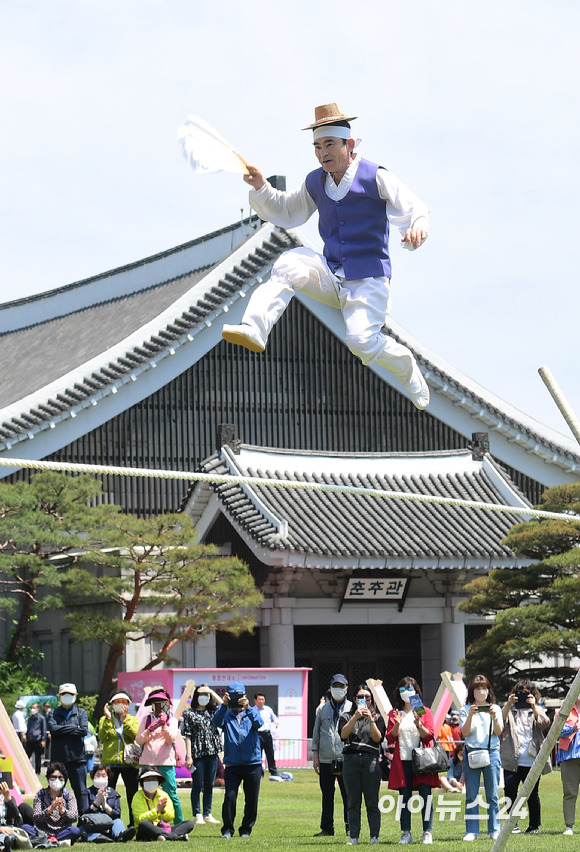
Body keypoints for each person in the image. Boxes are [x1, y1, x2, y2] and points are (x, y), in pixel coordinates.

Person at [221, 102, 431, 411]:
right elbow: (287, 210)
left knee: (361, 343)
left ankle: (406, 366)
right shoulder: (315, 181)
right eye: (317, 146)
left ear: (348, 144)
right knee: (289, 263)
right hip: (331, 273)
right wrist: (260, 187)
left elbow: (416, 210)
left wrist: (417, 229)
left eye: (329, 144)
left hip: (368, 281)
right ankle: (255, 327)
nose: (323, 153)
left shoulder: (375, 176)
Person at [387, 677, 440, 845]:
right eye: (403, 690)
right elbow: (390, 737)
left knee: (426, 795)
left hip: (422, 760)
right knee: (405, 797)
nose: (407, 693)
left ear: (417, 691)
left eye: (410, 689)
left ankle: (427, 832)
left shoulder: (424, 711)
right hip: (403, 760)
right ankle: (406, 833)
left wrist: (419, 724)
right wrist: (397, 724)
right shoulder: (395, 712)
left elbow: (430, 735)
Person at [211, 681, 263, 838]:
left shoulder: (251, 712)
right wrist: (224, 705)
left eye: (238, 697)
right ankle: (227, 829)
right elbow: (215, 722)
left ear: (244, 696)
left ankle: (246, 829)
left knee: (252, 799)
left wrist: (248, 708)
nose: (236, 701)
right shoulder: (227, 715)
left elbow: (259, 723)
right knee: (230, 797)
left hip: (252, 763)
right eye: (233, 697)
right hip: (232, 764)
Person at [501, 679, 550, 835]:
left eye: (527, 692)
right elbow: (499, 723)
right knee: (510, 791)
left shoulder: (537, 708)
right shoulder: (510, 710)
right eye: (520, 692)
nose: (523, 695)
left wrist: (534, 706)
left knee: (532, 794)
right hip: (512, 759)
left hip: (532, 760)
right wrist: (508, 704)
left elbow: (544, 723)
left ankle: (533, 826)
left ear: (533, 694)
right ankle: (512, 824)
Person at [338, 684, 386, 846]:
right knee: (353, 801)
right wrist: (355, 717)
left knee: (372, 801)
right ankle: (354, 837)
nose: (363, 700)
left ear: (371, 700)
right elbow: (343, 735)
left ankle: (374, 836)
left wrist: (370, 719)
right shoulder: (345, 716)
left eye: (367, 697)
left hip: (371, 760)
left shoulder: (378, 718)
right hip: (351, 760)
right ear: (353, 699)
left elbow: (378, 738)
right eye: (360, 697)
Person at [459, 674, 503, 842]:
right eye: (477, 689)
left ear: (488, 690)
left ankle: (494, 828)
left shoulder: (496, 708)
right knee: (471, 794)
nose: (481, 692)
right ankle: (471, 830)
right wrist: (470, 715)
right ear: (472, 691)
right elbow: (464, 733)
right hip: (472, 753)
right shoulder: (465, 709)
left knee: (492, 794)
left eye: (484, 688)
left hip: (491, 752)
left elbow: (499, 732)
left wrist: (493, 716)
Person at [136, 687, 184, 825]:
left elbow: (171, 739)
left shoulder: (172, 720)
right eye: (156, 703)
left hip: (166, 763)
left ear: (168, 704)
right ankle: (149, 822)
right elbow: (139, 740)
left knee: (171, 793)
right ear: (152, 705)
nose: (159, 706)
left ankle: (179, 823)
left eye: (163, 703)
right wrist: (150, 728)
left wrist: (163, 726)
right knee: (147, 793)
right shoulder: (146, 719)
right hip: (148, 763)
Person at [311, 674, 352, 838]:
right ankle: (327, 828)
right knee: (327, 795)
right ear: (330, 688)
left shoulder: (352, 707)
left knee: (347, 794)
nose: (338, 689)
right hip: (326, 758)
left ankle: (350, 827)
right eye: (335, 686)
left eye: (341, 686)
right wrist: (315, 755)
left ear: (346, 689)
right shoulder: (322, 709)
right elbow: (316, 733)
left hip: (345, 757)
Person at [97, 691, 140, 826]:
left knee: (132, 794)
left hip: (129, 763)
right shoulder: (105, 719)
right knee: (109, 794)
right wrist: (109, 720)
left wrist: (125, 720)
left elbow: (134, 735)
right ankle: (110, 824)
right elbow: (102, 737)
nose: (120, 704)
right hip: (110, 763)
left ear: (128, 704)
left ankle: (133, 824)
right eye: (117, 702)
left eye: (123, 702)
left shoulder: (134, 719)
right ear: (111, 704)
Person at [182, 684, 223, 825]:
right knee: (197, 784)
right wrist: (189, 755)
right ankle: (197, 813)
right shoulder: (189, 713)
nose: (203, 697)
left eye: (206, 695)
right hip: (197, 753)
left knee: (210, 785)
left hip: (212, 752)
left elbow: (224, 705)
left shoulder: (213, 712)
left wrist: (211, 690)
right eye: (201, 695)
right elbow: (187, 735)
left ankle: (207, 813)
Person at [46, 683, 89, 815]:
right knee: (55, 792)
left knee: (81, 793)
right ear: (59, 696)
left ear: (75, 696)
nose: (67, 696)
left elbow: (83, 731)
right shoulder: (53, 713)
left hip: (78, 761)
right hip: (58, 762)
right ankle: (54, 823)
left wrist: (63, 730)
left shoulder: (81, 713)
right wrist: (74, 728)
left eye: (70, 694)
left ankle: (84, 824)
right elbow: (53, 729)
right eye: (64, 694)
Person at [132, 766, 194, 842]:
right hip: (145, 830)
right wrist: (157, 810)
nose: (151, 782)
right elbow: (139, 819)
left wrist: (163, 811)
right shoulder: (137, 796)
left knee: (189, 823)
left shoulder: (163, 795)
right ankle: (174, 836)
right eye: (148, 780)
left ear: (158, 781)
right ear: (142, 782)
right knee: (143, 824)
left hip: (162, 827)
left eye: (154, 779)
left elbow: (170, 816)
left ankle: (163, 836)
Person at [80, 765, 135, 843]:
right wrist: (97, 803)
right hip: (92, 824)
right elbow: (83, 814)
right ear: (93, 776)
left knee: (118, 821)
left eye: (103, 776)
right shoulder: (87, 792)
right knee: (83, 830)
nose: (100, 778)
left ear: (108, 778)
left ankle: (120, 835)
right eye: (97, 775)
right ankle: (98, 837)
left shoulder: (113, 793)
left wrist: (105, 805)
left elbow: (117, 814)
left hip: (108, 822)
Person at [32, 762, 82, 845]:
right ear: (48, 780)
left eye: (60, 778)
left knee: (75, 831)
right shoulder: (40, 795)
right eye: (53, 777)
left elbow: (75, 817)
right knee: (26, 827)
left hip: (62, 830)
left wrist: (63, 811)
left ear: (65, 780)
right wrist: (49, 809)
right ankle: (53, 840)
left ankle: (50, 840)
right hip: (44, 830)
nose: (57, 780)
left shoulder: (68, 794)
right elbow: (36, 818)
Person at [555, 692, 580, 836]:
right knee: (570, 793)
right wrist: (573, 729)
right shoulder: (564, 710)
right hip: (569, 756)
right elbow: (558, 730)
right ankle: (569, 826)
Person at [253, 694, 279, 777]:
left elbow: (275, 718)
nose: (261, 701)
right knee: (258, 755)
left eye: (263, 699)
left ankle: (273, 771)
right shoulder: (252, 710)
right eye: (259, 699)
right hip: (257, 734)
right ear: (255, 700)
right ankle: (260, 773)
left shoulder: (268, 709)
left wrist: (276, 723)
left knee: (270, 754)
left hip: (267, 734)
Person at [25, 704, 46, 775]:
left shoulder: (41, 718)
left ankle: (38, 771)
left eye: (34, 708)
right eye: (31, 708)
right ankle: (26, 770)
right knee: (27, 756)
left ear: (38, 709)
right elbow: (28, 728)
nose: (32, 709)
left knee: (38, 757)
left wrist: (43, 740)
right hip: (30, 739)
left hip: (38, 739)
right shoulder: (30, 718)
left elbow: (44, 729)